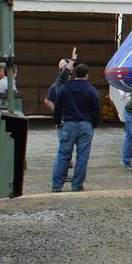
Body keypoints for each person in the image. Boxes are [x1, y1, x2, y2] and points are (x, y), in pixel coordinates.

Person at [51, 63, 102, 192]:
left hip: (68, 125)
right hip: (86, 125)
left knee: (63, 155)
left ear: (75, 74)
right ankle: (77, 185)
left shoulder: (64, 88)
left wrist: (57, 122)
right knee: (82, 156)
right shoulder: (91, 90)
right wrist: (94, 124)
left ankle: (57, 186)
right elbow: (96, 110)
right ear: (87, 75)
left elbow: (58, 107)